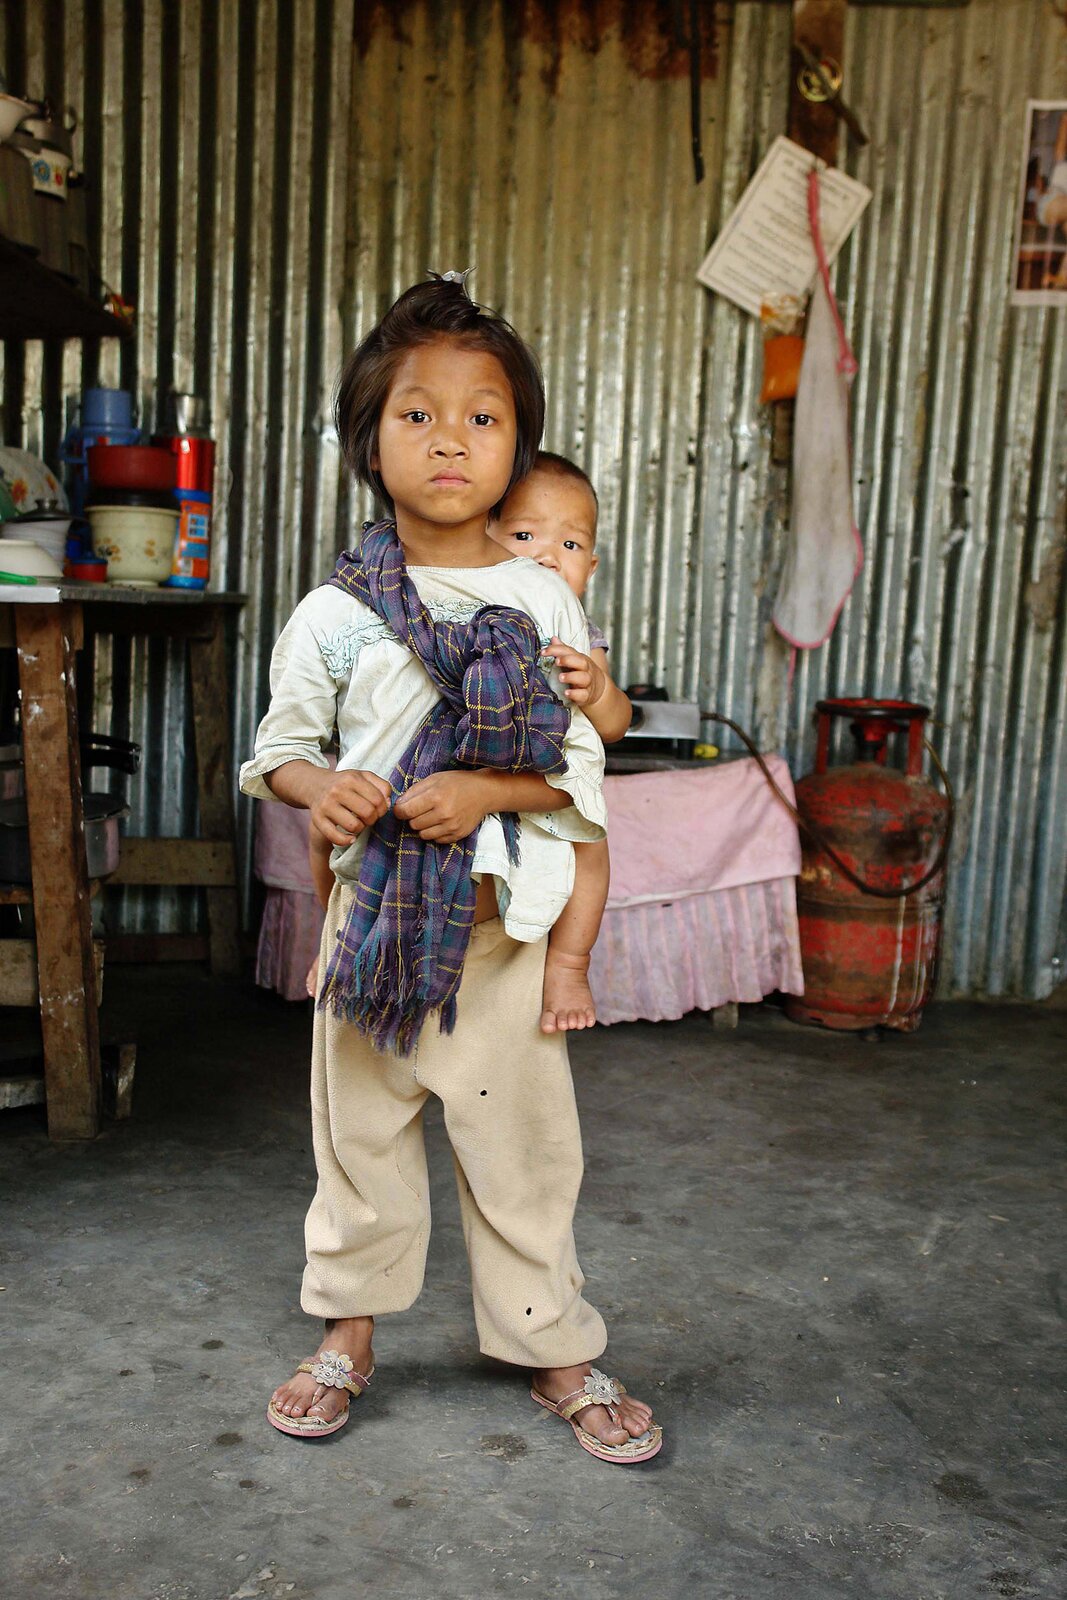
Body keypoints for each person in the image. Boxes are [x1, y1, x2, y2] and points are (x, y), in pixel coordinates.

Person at [240, 276, 661, 1464]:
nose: (450, 439)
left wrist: (485, 790)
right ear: (369, 441)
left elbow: (578, 775)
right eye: (417, 413)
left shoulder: (539, 596)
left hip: (499, 938)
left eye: (482, 416)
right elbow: (275, 753)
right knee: (359, 1144)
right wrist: (320, 790)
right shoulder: (336, 610)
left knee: (525, 1156)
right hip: (368, 930)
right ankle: (346, 1338)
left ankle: (551, 1348)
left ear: (516, 439)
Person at [306, 449, 632, 1032]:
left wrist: (599, 687)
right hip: (427, 771)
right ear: (489, 534)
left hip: (524, 777)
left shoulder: (573, 630)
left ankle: (569, 962)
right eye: (525, 533)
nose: (548, 558)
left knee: (592, 840)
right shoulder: (449, 614)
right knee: (322, 829)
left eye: (571, 545)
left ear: (595, 562)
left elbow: (607, 733)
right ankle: (330, 941)